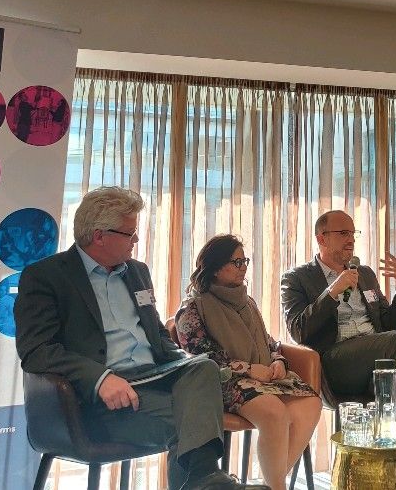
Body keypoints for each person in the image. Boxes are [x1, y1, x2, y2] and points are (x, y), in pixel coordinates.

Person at [14, 187, 265, 490]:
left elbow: (157, 334)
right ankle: (208, 479)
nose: (136, 241)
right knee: (192, 427)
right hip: (99, 400)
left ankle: (205, 479)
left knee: (204, 368)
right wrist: (99, 378)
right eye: (130, 234)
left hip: (155, 378)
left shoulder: (137, 272)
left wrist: (183, 364)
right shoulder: (46, 276)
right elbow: (36, 350)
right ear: (99, 235)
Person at [280, 210, 396, 444]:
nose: (351, 240)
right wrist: (332, 292)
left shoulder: (364, 274)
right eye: (343, 233)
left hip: (375, 358)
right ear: (321, 238)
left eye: (353, 234)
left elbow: (388, 324)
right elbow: (298, 330)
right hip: (334, 363)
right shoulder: (296, 278)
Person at [175, 234, 321, 490]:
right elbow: (201, 356)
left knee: (310, 404)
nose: (243, 267)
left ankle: (270, 484)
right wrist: (250, 369)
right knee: (275, 413)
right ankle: (277, 487)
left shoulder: (247, 301)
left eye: (245, 261)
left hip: (265, 377)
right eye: (236, 262)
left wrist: (278, 361)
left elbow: (268, 341)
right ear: (216, 267)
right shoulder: (193, 307)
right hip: (224, 381)